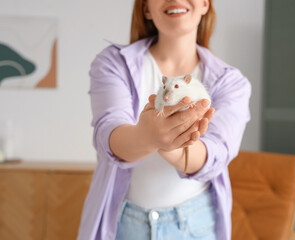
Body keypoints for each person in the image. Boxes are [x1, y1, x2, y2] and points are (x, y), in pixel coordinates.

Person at [77, 0, 251, 239]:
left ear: (205, 4)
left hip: (195, 225)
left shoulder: (231, 84)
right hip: (123, 223)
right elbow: (109, 133)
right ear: (146, 8)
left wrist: (172, 146)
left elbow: (217, 153)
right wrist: (149, 136)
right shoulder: (114, 64)